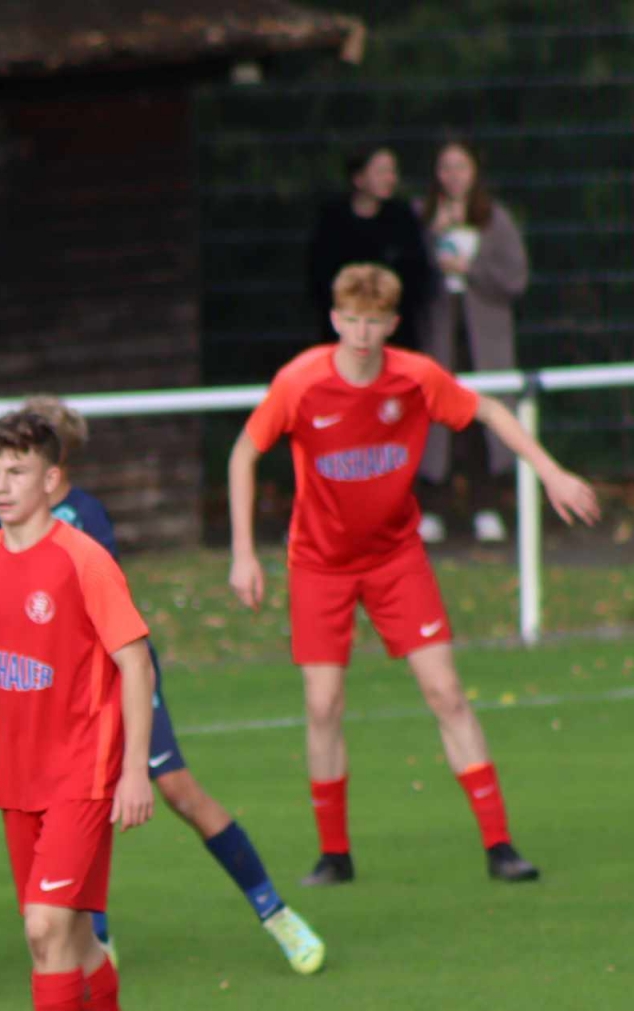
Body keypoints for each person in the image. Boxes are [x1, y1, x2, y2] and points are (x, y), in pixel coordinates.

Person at [0, 396, 323, 975]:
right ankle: (93, 942)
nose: (5, 480)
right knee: (74, 816)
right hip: (59, 698)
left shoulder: (85, 521)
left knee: (177, 790)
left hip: (113, 683)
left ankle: (274, 912)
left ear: (55, 466)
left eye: (20, 465)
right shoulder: (11, 524)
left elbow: (99, 612)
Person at [229, 263, 600, 886]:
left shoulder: (415, 377)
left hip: (395, 558)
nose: (361, 334)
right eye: (351, 320)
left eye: (373, 322)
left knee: (446, 693)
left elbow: (489, 411)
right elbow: (244, 453)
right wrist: (243, 553)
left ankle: (500, 846)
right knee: (322, 704)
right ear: (334, 319)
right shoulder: (301, 382)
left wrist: (551, 472)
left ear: (392, 324)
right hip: (319, 564)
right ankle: (334, 854)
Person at [0, 409, 158, 1011]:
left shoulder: (82, 559)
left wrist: (135, 771)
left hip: (84, 771)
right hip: (19, 777)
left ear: (52, 479)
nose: (1, 485)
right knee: (70, 939)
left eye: (17, 472)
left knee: (44, 928)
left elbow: (134, 662)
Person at [416, 140, 531, 545]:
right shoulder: (421, 216)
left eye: (461, 167)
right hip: (439, 339)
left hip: (484, 342)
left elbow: (515, 278)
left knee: (486, 421)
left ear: (474, 172)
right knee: (436, 423)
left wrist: (471, 268)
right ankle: (432, 507)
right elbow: (406, 274)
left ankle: (487, 506)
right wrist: (432, 236)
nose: (453, 176)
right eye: (445, 167)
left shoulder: (494, 219)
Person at [307, 146, 435, 351]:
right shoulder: (333, 219)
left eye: (392, 171)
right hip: (343, 332)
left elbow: (417, 274)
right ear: (359, 178)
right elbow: (319, 276)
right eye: (381, 171)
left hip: (395, 332)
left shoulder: (402, 218)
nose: (390, 178)